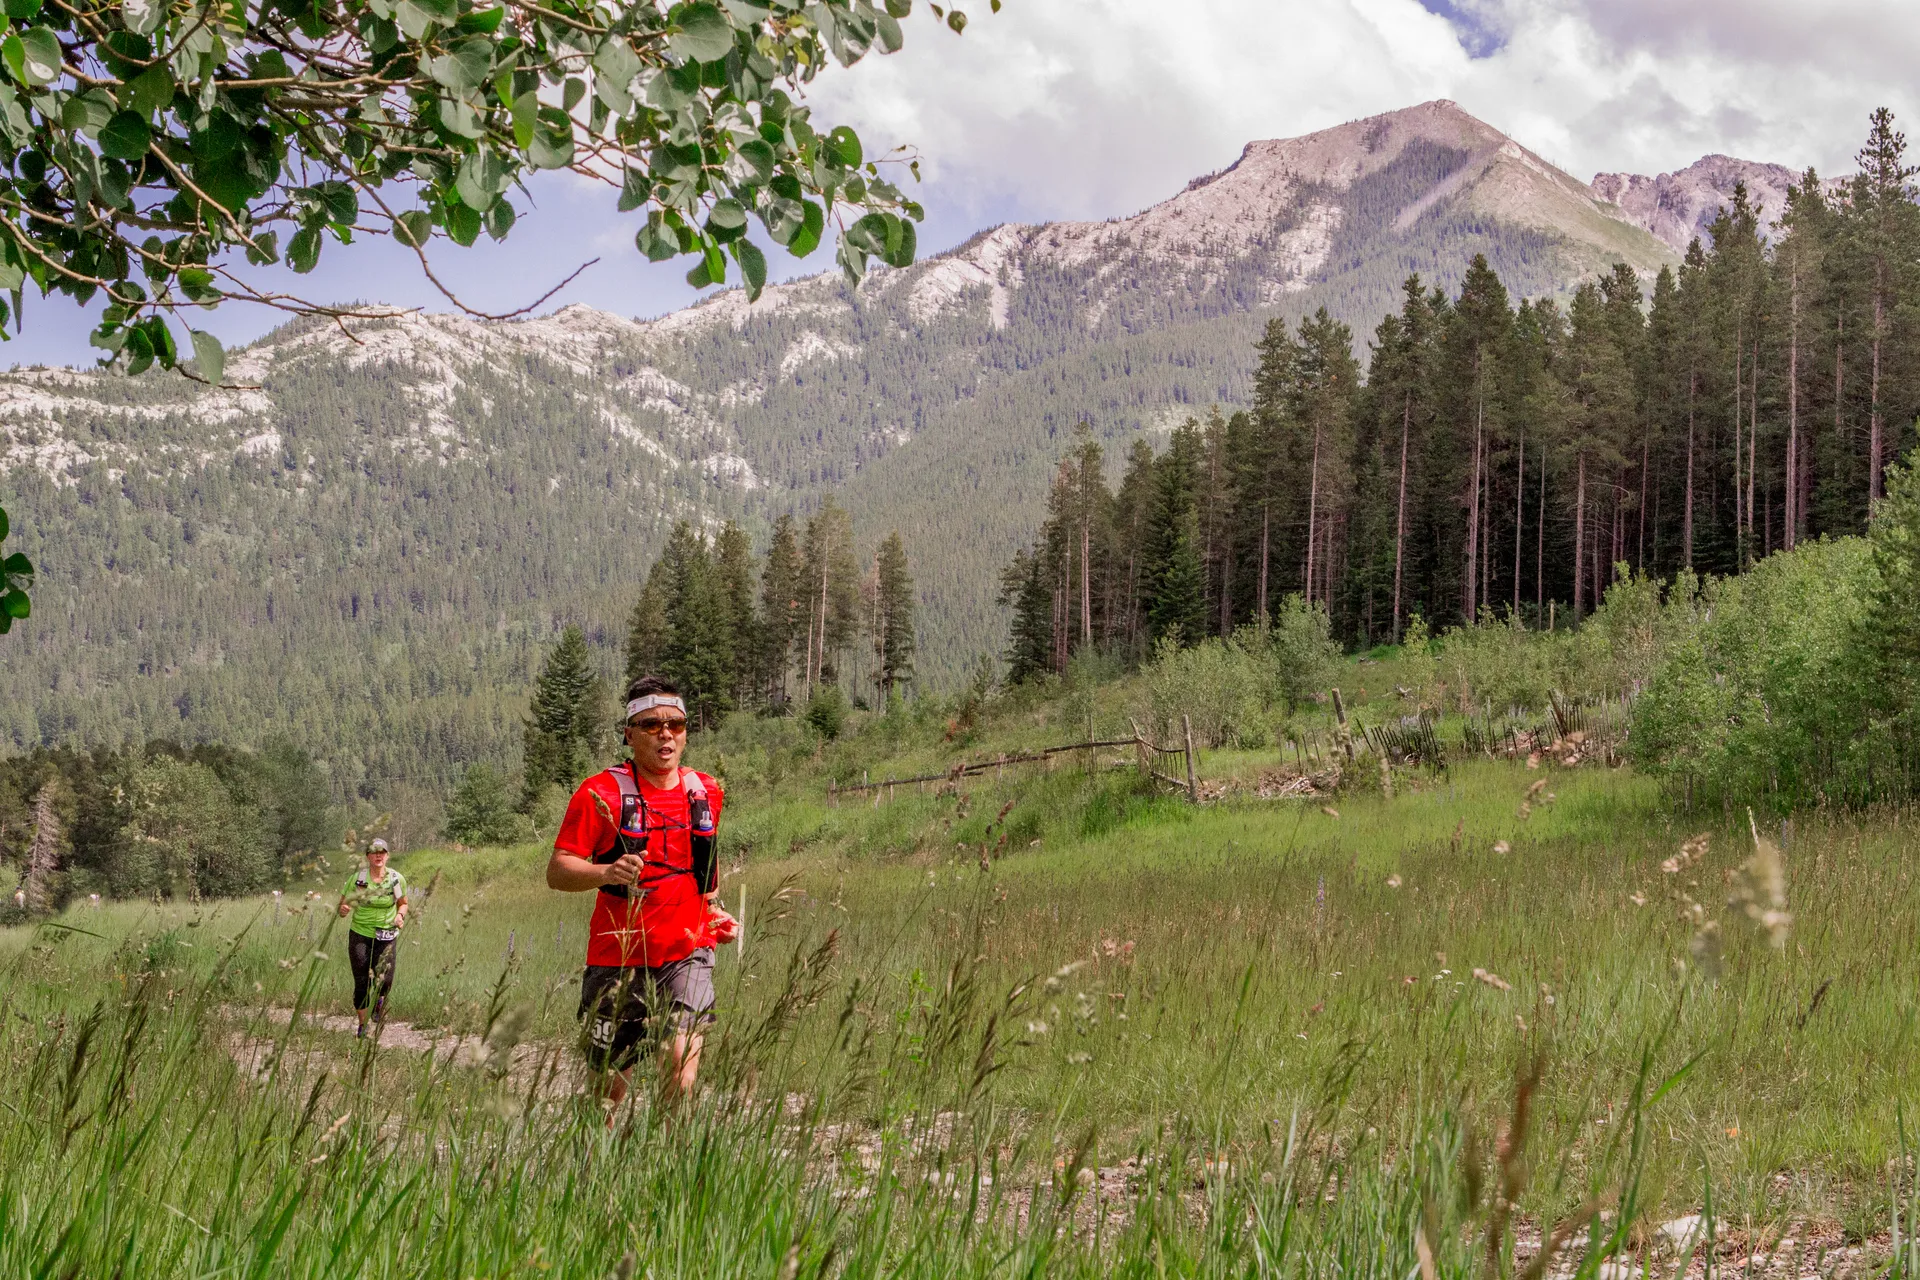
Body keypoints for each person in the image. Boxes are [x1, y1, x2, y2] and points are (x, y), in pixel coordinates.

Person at [547, 675, 737, 1115]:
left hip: (687, 952)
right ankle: (605, 1156)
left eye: (676, 724)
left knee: (680, 1072)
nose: (665, 734)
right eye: (651, 724)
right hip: (617, 957)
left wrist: (714, 910)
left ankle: (668, 1156)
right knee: (607, 1096)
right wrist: (605, 871)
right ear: (629, 734)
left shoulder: (705, 790)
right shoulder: (599, 793)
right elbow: (558, 871)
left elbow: (705, 862)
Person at [337, 838, 409, 1037]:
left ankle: (379, 1002)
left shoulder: (396, 879)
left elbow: (403, 903)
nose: (378, 855)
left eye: (382, 852)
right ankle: (363, 1025)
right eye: (374, 852)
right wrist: (343, 910)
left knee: (385, 980)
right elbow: (343, 905)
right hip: (360, 933)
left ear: (387, 855)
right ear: (368, 856)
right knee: (362, 982)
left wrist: (400, 916)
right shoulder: (358, 879)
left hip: (387, 934)